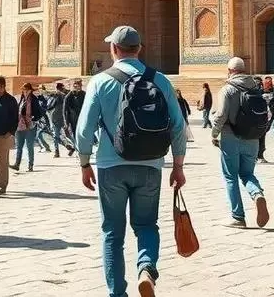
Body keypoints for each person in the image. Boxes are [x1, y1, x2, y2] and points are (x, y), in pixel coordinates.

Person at [77, 26, 187, 297]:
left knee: (113, 234)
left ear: (113, 49)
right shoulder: (160, 80)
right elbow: (178, 126)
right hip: (150, 165)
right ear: (139, 49)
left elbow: (84, 129)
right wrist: (178, 166)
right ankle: (147, 267)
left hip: (110, 166)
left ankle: (118, 293)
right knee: (147, 225)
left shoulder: (100, 81)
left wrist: (84, 162)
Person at [210, 57, 269, 229]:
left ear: (229, 71)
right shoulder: (255, 87)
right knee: (247, 174)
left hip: (231, 137)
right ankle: (257, 194)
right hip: (252, 138)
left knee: (231, 177)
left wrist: (214, 134)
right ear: (244, 70)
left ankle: (238, 216)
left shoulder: (227, 89)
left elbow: (220, 116)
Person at [12, 83, 46, 172]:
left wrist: (34, 119)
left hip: (30, 126)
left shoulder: (34, 100)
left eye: (27, 90)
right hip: (20, 125)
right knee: (19, 146)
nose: (25, 91)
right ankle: (17, 164)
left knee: (29, 146)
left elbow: (39, 112)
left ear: (30, 90)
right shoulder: (22, 99)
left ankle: (30, 165)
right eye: (24, 90)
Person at [46, 83, 72, 157]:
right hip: (64, 119)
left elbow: (50, 106)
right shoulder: (66, 96)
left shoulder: (57, 96)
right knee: (68, 135)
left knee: (56, 136)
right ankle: (73, 148)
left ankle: (57, 152)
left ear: (57, 88)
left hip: (57, 119)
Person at [63, 78, 86, 146]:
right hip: (73, 119)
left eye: (80, 86)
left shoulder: (84, 94)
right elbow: (65, 110)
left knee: (82, 133)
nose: (78, 88)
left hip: (82, 118)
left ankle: (81, 147)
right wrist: (66, 121)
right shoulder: (69, 96)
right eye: (76, 86)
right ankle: (77, 147)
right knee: (75, 133)